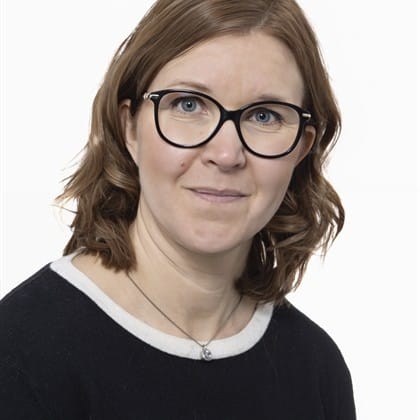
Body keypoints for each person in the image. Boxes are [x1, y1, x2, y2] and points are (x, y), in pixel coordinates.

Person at [0, 0, 356, 418]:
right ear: (130, 127)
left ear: (302, 147)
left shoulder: (315, 368)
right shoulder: (22, 352)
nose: (227, 154)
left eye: (264, 115)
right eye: (188, 105)